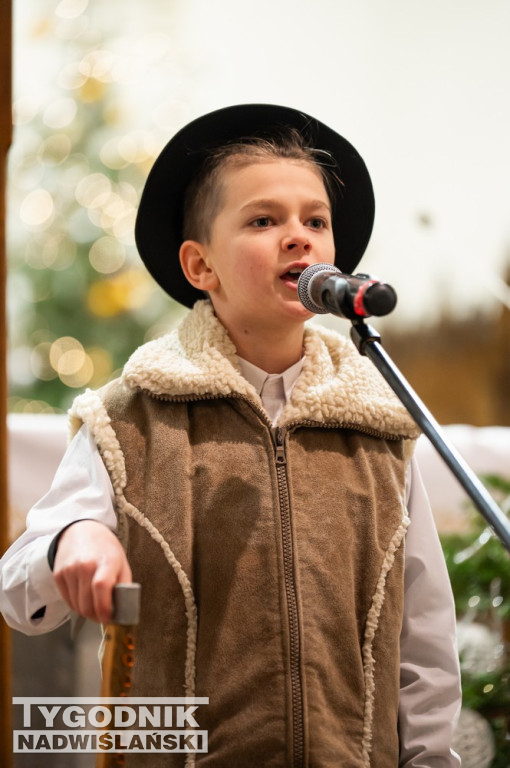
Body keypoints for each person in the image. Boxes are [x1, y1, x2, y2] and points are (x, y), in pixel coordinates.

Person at [0, 104, 461, 767]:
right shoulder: (134, 418)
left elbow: (425, 640)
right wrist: (74, 538)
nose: (298, 236)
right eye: (264, 220)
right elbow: (18, 588)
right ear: (200, 266)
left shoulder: (376, 431)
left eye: (316, 220)